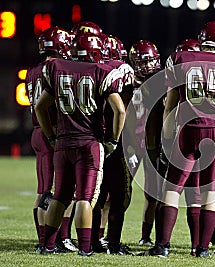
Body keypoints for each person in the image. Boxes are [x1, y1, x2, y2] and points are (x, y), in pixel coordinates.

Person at [141, 20, 215, 258]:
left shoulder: (181, 59)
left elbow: (170, 106)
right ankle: (202, 249)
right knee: (211, 192)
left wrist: (166, 139)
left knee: (172, 188)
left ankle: (162, 246)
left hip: (187, 130)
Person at [35, 32, 126, 256]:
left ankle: (47, 245)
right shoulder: (101, 72)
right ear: (96, 52)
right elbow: (120, 110)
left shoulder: (57, 68)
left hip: (63, 143)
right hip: (88, 143)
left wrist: (51, 135)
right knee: (85, 198)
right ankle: (85, 248)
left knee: (60, 196)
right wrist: (113, 139)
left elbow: (40, 107)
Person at [26, 26, 78, 253]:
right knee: (59, 191)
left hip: (37, 132)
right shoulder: (57, 67)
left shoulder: (32, 70)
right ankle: (57, 239)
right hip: (51, 132)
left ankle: (45, 239)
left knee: (44, 189)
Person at [90, 33, 136, 255]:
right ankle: (113, 243)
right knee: (120, 195)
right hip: (116, 140)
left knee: (97, 193)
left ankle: (94, 241)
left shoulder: (91, 69)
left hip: (93, 137)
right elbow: (124, 107)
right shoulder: (122, 69)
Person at [128, 40, 164, 247]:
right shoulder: (126, 81)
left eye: (151, 61)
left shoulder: (160, 82)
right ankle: (103, 236)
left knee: (153, 193)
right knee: (116, 195)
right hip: (129, 143)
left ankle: (146, 236)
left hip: (151, 143)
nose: (148, 65)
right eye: (143, 62)